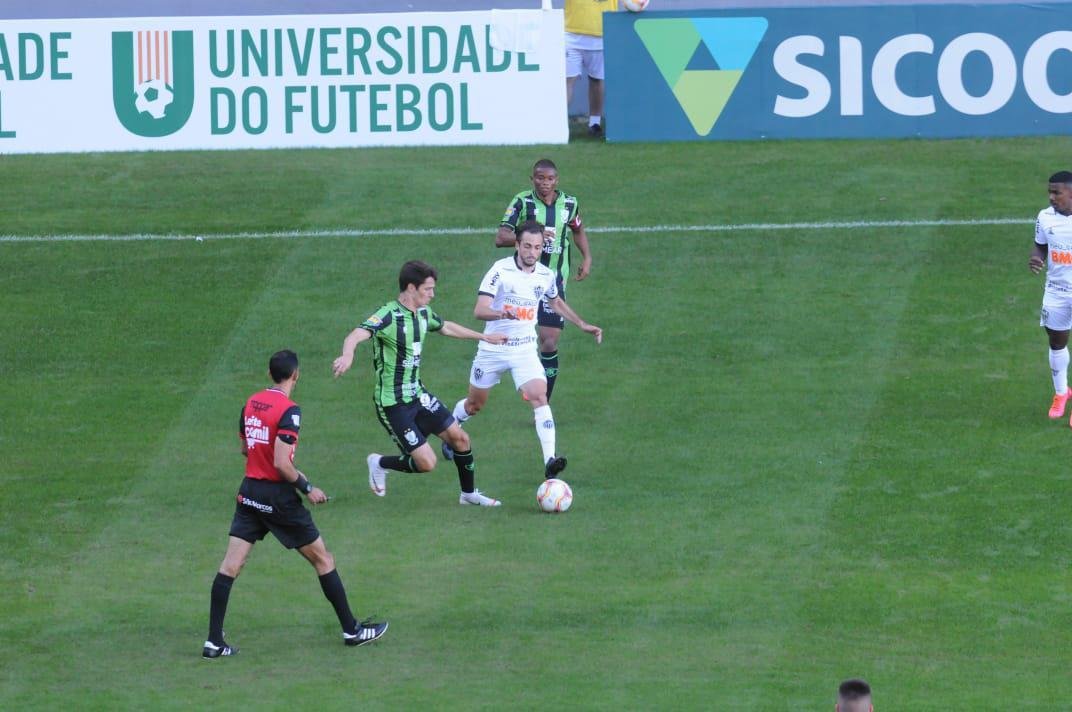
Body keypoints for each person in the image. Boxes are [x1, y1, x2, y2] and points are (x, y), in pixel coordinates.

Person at [203, 350, 387, 659]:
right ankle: (352, 630)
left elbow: (245, 450)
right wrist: (308, 487)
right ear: (296, 375)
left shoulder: (250, 404)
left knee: (230, 566)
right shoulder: (290, 411)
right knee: (323, 559)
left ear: (269, 374)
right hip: (278, 498)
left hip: (249, 492)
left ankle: (212, 641)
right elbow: (281, 465)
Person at [332, 260, 508, 506]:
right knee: (426, 463)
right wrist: (348, 354)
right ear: (411, 288)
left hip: (418, 395)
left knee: (460, 439)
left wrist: (485, 337)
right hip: (393, 403)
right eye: (428, 289)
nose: (432, 294)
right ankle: (378, 463)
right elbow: (356, 334)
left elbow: (446, 327)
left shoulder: (423, 313)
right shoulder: (388, 315)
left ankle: (468, 495)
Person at [448, 220, 602, 479]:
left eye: (538, 247)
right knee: (475, 404)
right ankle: (452, 426)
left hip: (524, 351)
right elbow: (479, 310)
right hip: (493, 348)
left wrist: (582, 324)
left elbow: (555, 302)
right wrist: (501, 312)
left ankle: (550, 462)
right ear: (517, 245)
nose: (532, 252)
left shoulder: (545, 275)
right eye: (527, 246)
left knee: (540, 396)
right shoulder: (500, 271)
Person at [495, 158, 592, 402]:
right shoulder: (523, 201)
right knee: (515, 338)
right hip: (524, 280)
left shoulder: (570, 203)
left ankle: (543, 400)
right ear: (532, 179)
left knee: (549, 341)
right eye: (540, 178)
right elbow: (501, 237)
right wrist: (531, 235)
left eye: (549, 179)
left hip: (554, 280)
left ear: (557, 180)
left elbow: (577, 229)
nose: (544, 183)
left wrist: (587, 257)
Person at [1029, 170, 1072, 423]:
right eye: (1050, 192)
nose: (1051, 197)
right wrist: (1037, 258)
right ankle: (1061, 392)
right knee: (1057, 341)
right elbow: (1041, 244)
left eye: (1057, 192)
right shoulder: (1045, 217)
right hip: (1056, 290)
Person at [565, 0, 617, 136]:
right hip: (571, 34)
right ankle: (558, 124)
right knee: (567, 80)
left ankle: (595, 123)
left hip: (602, 32)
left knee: (596, 80)